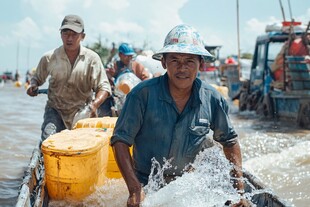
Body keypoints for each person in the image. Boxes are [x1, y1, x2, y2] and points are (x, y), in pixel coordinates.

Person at [110, 24, 248, 207]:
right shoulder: (141, 95)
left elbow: (229, 142)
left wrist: (239, 191)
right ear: (163, 63)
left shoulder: (212, 98)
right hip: (147, 184)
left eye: (190, 61)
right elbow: (120, 141)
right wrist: (135, 189)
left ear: (201, 64)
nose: (182, 68)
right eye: (174, 60)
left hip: (188, 185)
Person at [26, 14, 111, 141]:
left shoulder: (92, 58)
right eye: (65, 33)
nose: (69, 38)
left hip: (83, 111)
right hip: (56, 110)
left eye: (74, 34)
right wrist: (33, 86)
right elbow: (37, 78)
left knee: (84, 146)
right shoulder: (49, 57)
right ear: (60, 34)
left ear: (82, 36)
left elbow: (104, 87)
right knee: (48, 142)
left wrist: (94, 106)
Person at [98, 43, 150, 117]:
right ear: (120, 55)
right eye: (127, 56)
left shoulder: (137, 66)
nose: (129, 58)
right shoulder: (115, 66)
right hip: (118, 98)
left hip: (134, 97)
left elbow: (146, 79)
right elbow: (106, 80)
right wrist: (110, 76)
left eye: (131, 56)